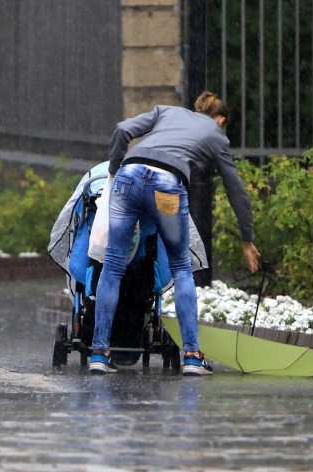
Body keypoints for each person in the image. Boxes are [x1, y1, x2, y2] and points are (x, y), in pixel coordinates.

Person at [90, 91, 260, 376]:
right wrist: (247, 239)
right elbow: (235, 188)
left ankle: (99, 353)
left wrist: (114, 171)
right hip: (167, 185)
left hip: (129, 175)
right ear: (221, 119)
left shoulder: (166, 111)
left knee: (113, 265)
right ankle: (192, 357)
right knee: (181, 268)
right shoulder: (215, 133)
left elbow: (122, 129)